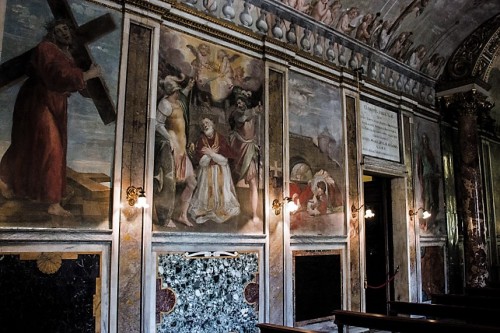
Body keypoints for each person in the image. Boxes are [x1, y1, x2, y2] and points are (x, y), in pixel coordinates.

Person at [0, 19, 102, 217]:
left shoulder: (68, 55)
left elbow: (70, 80)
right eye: (59, 30)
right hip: (38, 100)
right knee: (51, 146)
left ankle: (5, 179)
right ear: (52, 34)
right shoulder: (46, 48)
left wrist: (88, 83)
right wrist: (88, 75)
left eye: (66, 29)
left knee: (30, 143)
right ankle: (53, 203)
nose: (64, 32)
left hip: (55, 102)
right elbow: (58, 75)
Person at [154, 74, 196, 227]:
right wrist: (169, 138)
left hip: (182, 149)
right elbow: (157, 124)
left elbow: (184, 96)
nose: (179, 93)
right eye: (177, 90)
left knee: (192, 182)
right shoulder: (165, 104)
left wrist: (189, 87)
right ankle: (166, 217)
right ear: (171, 92)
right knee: (169, 184)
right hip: (172, 149)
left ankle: (182, 214)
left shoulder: (178, 101)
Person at [188, 117, 240, 224]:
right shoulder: (200, 140)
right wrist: (213, 154)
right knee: (206, 191)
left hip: (221, 170)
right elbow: (202, 162)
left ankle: (221, 208)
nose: (205, 125)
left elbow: (224, 161)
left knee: (222, 192)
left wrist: (210, 154)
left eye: (207, 123)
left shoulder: (220, 139)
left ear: (213, 124)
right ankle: (207, 209)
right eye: (203, 124)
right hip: (206, 172)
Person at [229, 89, 262, 223]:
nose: (239, 104)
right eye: (238, 102)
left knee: (253, 182)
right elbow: (242, 118)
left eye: (241, 102)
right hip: (238, 149)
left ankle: (254, 214)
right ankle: (230, 210)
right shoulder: (237, 114)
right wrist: (255, 111)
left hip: (250, 149)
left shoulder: (252, 114)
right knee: (233, 179)